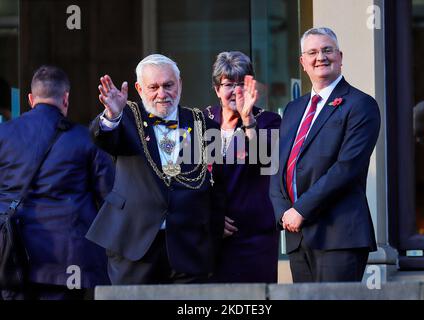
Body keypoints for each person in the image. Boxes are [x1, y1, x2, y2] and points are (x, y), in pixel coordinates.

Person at [86, 54, 226, 285]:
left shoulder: (204, 125)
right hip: (134, 244)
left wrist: (212, 239)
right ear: (140, 89)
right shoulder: (126, 118)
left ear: (180, 84)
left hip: (189, 246)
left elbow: (216, 187)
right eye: (154, 87)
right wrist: (112, 116)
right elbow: (102, 138)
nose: (162, 93)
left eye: (168, 85)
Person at [270, 27, 380, 282]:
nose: (320, 57)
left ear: (340, 56)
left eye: (327, 50)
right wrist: (283, 212)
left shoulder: (360, 104)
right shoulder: (293, 109)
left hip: (339, 236)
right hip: (297, 235)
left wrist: (301, 209)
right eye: (312, 52)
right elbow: (277, 167)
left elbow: (347, 168)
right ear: (302, 62)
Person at [0, 65, 114, 300]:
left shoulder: (4, 135)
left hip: (9, 257)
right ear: (66, 98)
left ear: (31, 98)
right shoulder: (86, 139)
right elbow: (109, 199)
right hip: (67, 263)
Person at [205, 51, 281, 283]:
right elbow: (189, 179)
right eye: (228, 84)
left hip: (254, 237)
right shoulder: (201, 121)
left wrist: (248, 120)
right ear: (217, 89)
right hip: (211, 234)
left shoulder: (268, 121)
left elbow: (265, 160)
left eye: (242, 84)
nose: (236, 91)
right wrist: (210, 217)